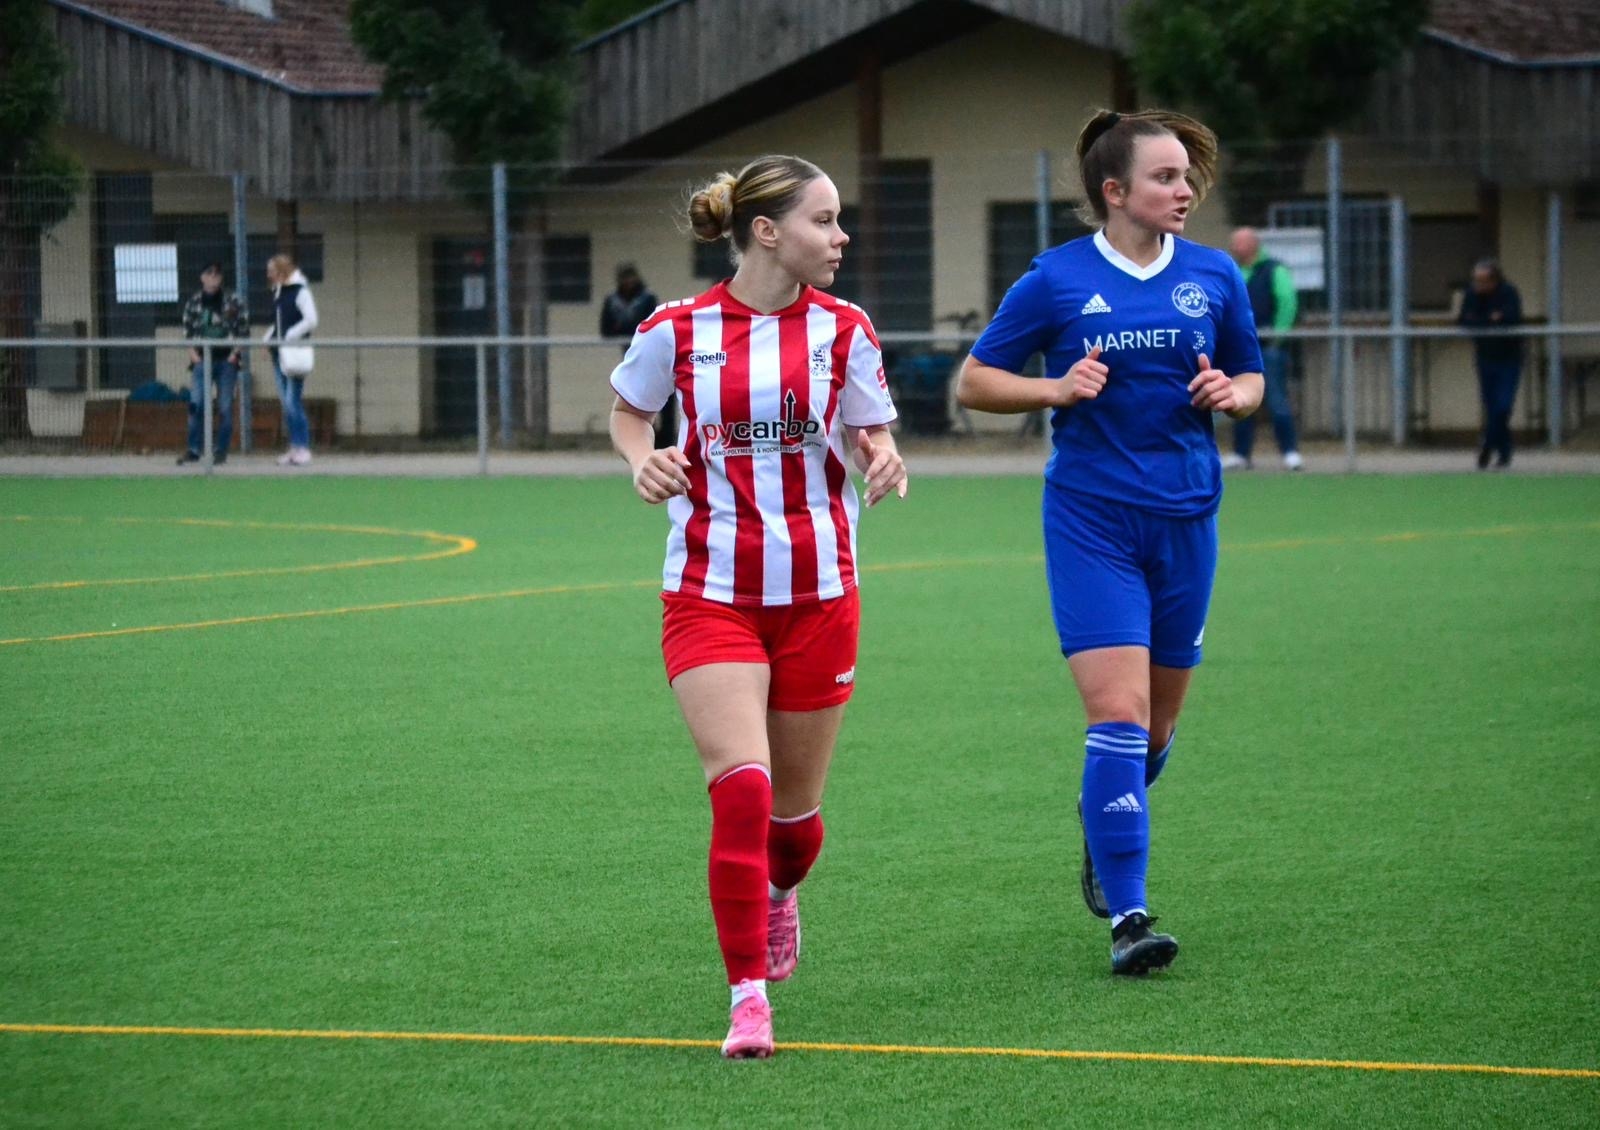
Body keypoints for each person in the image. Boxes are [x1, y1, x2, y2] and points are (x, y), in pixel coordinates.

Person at [608, 155, 907, 1059]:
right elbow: (629, 412)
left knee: (793, 829)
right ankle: (747, 1000)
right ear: (768, 232)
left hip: (820, 597)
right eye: (825, 220)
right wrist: (643, 460)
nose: (841, 236)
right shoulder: (676, 328)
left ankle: (781, 893)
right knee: (742, 790)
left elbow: (870, 429)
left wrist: (883, 454)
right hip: (710, 595)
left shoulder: (847, 330)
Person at [956, 109, 1264, 977]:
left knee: (1156, 727)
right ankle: (1130, 917)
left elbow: (1249, 370)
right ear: (1115, 190)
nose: (1185, 189)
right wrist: (1055, 388)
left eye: (1187, 176)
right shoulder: (1055, 279)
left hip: (1187, 515)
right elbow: (975, 380)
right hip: (1091, 520)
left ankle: (1106, 808)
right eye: (1166, 176)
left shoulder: (1213, 274)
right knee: (1119, 714)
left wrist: (1235, 396)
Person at [1221, 227, 1302, 471]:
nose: (1235, 248)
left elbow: (1287, 303)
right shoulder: (1232, 270)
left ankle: (1290, 453)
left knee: (1277, 400)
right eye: (1234, 243)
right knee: (1239, 401)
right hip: (1240, 350)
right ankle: (1241, 454)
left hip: (1268, 349)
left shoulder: (1274, 269)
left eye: (1240, 243)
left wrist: (1277, 338)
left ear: (1254, 244)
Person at [177, 262, 248, 465]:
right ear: (202, 277)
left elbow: (243, 330)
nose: (213, 277)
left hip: (227, 362)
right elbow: (187, 331)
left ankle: (220, 451)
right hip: (202, 361)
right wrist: (194, 355)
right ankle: (194, 449)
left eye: (217, 273)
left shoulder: (234, 301)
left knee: (225, 407)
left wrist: (234, 355)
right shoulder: (193, 302)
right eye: (209, 273)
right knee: (196, 404)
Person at [1457, 258, 1524, 469]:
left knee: (1503, 406)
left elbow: (1512, 318)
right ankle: (1503, 453)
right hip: (1485, 357)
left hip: (1509, 358)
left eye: (1482, 281)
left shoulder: (1508, 292)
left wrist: (1489, 319)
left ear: (1494, 280)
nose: (1477, 285)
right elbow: (1465, 320)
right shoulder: (1471, 294)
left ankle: (1487, 444)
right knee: (1491, 406)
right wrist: (1490, 318)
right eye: (1476, 280)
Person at [600, 263, 668, 445]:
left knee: (659, 397)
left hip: (651, 353)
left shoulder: (647, 298)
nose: (628, 282)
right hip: (629, 352)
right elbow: (606, 329)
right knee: (636, 398)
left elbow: (652, 323)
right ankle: (642, 438)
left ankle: (664, 439)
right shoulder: (613, 300)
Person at [261, 253, 319, 466]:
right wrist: (268, 340)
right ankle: (295, 447)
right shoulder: (279, 291)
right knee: (287, 403)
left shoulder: (300, 291)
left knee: (292, 401)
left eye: (272, 271)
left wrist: (289, 336)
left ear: (281, 271)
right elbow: (279, 323)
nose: (269, 275)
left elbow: (311, 320)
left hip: (294, 352)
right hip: (279, 353)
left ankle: (303, 447)